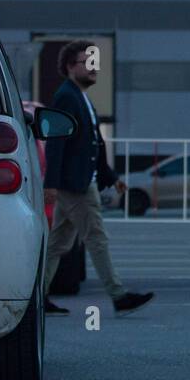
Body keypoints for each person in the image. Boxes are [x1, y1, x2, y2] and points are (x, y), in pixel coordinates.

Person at [43, 40, 155, 316]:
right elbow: (56, 142)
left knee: (58, 243)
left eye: (95, 64)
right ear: (70, 66)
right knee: (97, 237)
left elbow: (93, 143)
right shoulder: (66, 96)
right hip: (76, 185)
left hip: (81, 180)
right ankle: (118, 296)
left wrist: (111, 175)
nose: (94, 69)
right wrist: (52, 184)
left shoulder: (80, 97)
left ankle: (36, 297)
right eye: (87, 63)